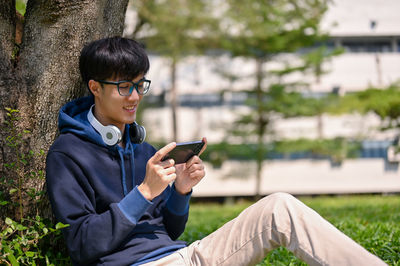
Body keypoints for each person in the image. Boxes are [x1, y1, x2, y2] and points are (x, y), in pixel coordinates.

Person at [45, 36, 386, 266]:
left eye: (140, 85)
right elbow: (81, 245)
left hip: (184, 257)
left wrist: (180, 191)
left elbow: (169, 230)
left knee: (278, 207)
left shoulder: (143, 149)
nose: (134, 96)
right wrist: (145, 192)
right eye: (124, 87)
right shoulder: (68, 153)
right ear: (95, 88)